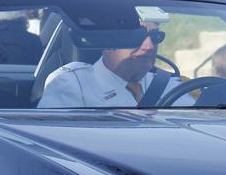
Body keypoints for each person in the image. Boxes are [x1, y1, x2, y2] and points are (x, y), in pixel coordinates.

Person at [39, 12, 191, 108]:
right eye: (137, 36)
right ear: (107, 42)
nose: (149, 47)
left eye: (155, 37)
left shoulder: (170, 87)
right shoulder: (73, 85)